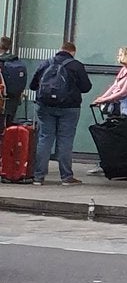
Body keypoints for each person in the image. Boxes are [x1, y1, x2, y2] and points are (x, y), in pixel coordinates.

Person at [28, 39, 92, 186]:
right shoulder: (76, 65)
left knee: (45, 138)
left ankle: (38, 177)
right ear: (73, 52)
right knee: (65, 140)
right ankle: (66, 177)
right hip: (69, 108)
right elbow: (86, 87)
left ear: (60, 49)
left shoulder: (46, 63)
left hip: (45, 106)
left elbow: (33, 86)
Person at [0, 35, 25, 128]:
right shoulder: (15, 61)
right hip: (13, 100)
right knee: (8, 127)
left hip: (1, 100)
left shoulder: (1, 62)